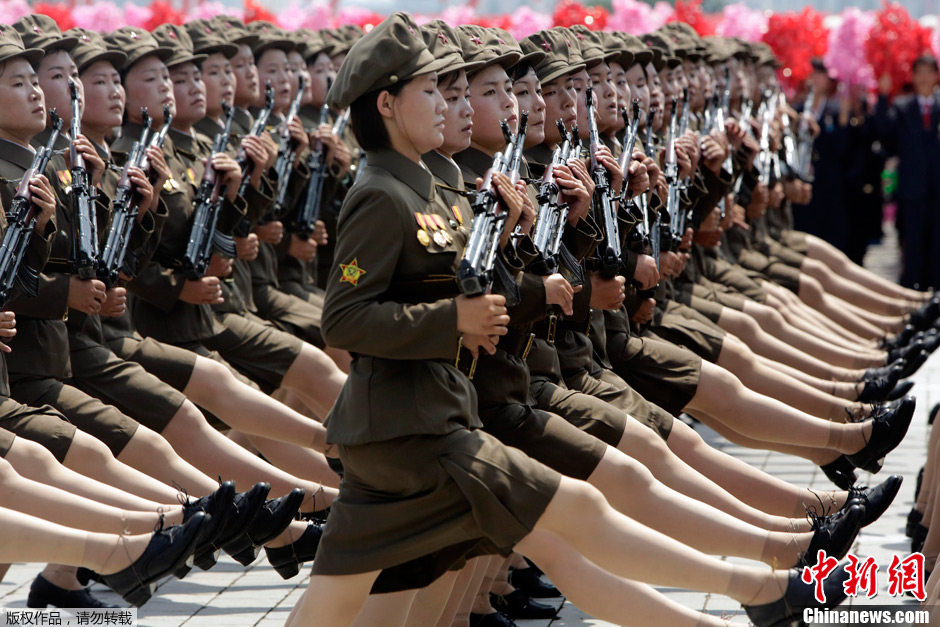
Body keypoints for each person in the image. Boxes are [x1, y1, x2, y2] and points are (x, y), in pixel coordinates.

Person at [286, 14, 851, 627]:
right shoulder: (379, 193)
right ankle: (757, 586)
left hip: (420, 424)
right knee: (577, 512)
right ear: (389, 104)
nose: (446, 106)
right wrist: (454, 318)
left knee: (354, 610)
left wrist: (515, 239)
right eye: (431, 92)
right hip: (412, 432)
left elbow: (482, 291)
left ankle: (761, 581)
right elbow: (344, 320)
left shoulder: (429, 189)